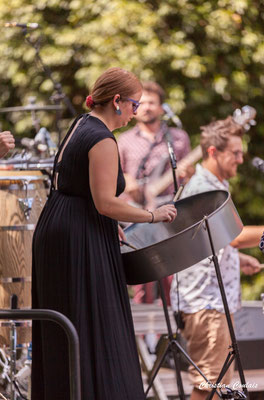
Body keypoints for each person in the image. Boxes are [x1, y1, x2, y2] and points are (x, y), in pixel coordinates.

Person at [31, 67, 177, 400]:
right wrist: (152, 215)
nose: (136, 112)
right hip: (78, 237)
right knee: (95, 324)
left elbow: (86, 193)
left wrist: (115, 227)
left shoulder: (80, 124)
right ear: (116, 101)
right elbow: (106, 203)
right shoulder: (102, 139)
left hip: (61, 228)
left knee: (72, 325)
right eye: (134, 104)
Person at [170, 116, 264, 400]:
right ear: (213, 152)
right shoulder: (204, 187)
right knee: (209, 387)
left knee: (220, 386)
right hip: (206, 305)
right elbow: (232, 235)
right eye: (235, 153)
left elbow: (211, 241)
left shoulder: (213, 184)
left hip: (213, 304)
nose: (240, 158)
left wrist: (236, 260)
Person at [118, 81, 192, 305]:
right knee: (142, 280)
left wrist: (188, 175)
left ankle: (172, 330)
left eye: (152, 103)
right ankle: (142, 337)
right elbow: (115, 176)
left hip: (168, 213)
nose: (147, 107)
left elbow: (187, 180)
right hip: (137, 214)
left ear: (162, 107)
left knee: (172, 275)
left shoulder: (178, 138)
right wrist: (127, 181)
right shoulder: (124, 140)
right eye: (142, 103)